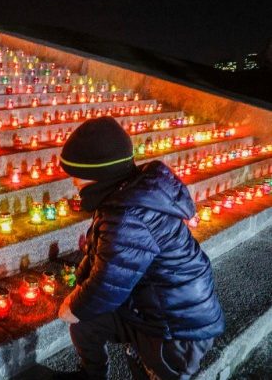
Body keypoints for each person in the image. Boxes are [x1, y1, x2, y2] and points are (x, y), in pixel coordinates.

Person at [57, 117, 225, 379]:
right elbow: (105, 256)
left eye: (76, 175)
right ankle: (91, 375)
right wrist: (81, 285)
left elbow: (109, 282)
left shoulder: (129, 215)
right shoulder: (122, 196)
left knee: (153, 372)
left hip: (176, 325)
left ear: (98, 174)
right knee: (86, 325)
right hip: (147, 304)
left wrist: (74, 306)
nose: (74, 183)